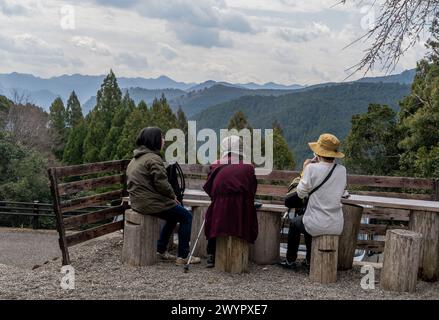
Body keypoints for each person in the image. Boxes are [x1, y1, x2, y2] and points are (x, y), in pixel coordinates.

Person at [126, 127, 200, 266]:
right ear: (155, 140)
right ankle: (183, 256)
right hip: (149, 203)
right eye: (161, 137)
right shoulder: (153, 159)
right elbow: (162, 183)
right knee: (186, 216)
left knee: (173, 217)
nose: (164, 140)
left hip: (137, 202)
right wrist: (173, 196)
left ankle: (160, 249)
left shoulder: (136, 159)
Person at [281, 133, 347, 270]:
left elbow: (300, 193)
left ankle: (290, 261)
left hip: (317, 224)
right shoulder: (342, 170)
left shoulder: (311, 168)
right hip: (336, 224)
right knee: (307, 220)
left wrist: (305, 170)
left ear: (317, 153)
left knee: (296, 223)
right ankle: (309, 260)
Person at [203, 135, 258, 268]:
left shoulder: (215, 165)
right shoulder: (249, 168)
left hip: (219, 208)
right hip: (241, 209)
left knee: (214, 216)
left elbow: (210, 189)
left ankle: (211, 254)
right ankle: (241, 257)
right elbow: (252, 190)